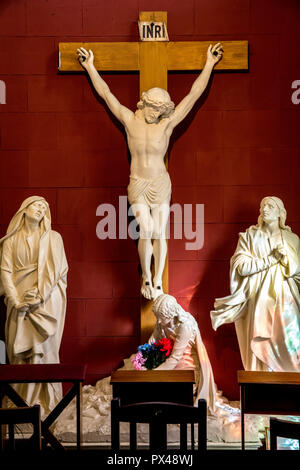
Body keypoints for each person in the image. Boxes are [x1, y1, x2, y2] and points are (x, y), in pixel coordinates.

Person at [77, 43, 223, 300]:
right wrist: (90, 67)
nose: (157, 113)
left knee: (159, 232)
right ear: (145, 103)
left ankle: (157, 281)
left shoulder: (167, 125)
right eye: (154, 108)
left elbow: (192, 96)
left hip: (159, 182)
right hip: (138, 182)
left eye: (161, 110)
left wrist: (209, 65)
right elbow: (106, 94)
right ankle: (146, 276)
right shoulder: (129, 120)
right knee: (145, 229)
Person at [211, 196, 300, 372]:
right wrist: (271, 259)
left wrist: (286, 259)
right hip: (259, 300)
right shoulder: (249, 237)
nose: (264, 209)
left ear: (280, 213)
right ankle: (261, 380)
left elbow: (297, 271)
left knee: (292, 343)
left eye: (270, 206)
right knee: (262, 340)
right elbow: (241, 268)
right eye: (262, 206)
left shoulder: (292, 239)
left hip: (286, 300)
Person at [0, 196, 68, 417]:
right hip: (18, 303)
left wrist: (39, 296)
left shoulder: (54, 239)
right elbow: (6, 272)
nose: (41, 209)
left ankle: (46, 407)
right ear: (24, 210)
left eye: (44, 207)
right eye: (36, 205)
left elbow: (56, 269)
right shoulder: (10, 241)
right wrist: (15, 299)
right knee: (18, 353)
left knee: (44, 351)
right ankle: (21, 406)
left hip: (46, 302)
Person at [150, 294, 217, 412]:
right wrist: (146, 358)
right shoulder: (162, 321)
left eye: (161, 317)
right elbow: (152, 342)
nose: (158, 321)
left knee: (167, 386)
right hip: (169, 357)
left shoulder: (185, 326)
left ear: (171, 314)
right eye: (157, 317)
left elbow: (175, 358)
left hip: (185, 361)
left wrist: (154, 374)